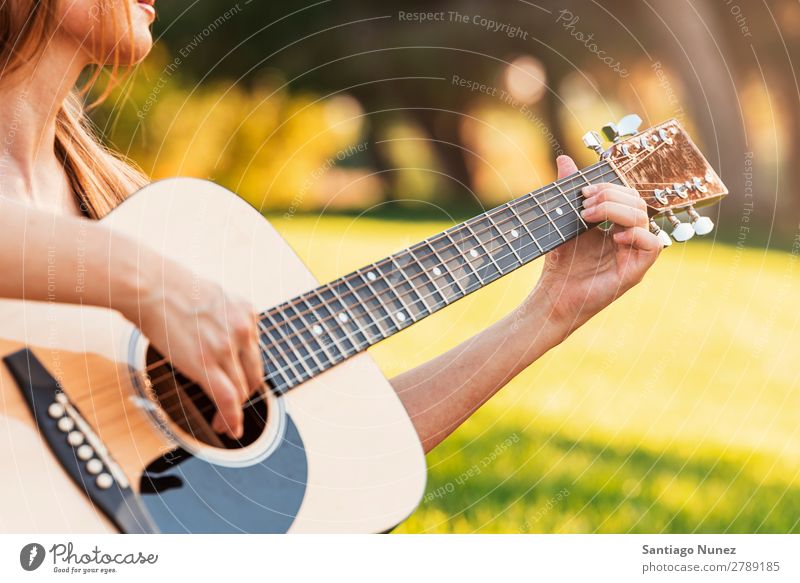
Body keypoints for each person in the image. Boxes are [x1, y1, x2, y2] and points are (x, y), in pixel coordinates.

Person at [0, 1, 661, 451]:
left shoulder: (130, 210)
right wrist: (145, 281)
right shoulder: (146, 257)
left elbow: (331, 452)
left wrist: (547, 313)